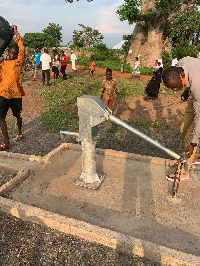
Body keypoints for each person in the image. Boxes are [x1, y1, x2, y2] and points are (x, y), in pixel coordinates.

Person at [162, 56, 200, 180]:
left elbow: (199, 119)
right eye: (171, 88)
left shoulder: (197, 86)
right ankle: (195, 157)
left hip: (198, 96)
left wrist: (193, 143)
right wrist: (186, 91)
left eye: (176, 87)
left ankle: (183, 171)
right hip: (195, 97)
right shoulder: (181, 64)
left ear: (182, 77)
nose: (174, 90)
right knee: (183, 129)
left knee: (191, 138)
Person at [0, 25, 26, 150]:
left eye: (14, 54)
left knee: (18, 116)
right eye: (11, 52)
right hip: (3, 94)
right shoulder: (2, 63)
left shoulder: (18, 63)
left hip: (15, 95)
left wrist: (16, 33)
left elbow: (21, 48)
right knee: (1, 118)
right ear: (8, 51)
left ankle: (20, 132)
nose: (12, 55)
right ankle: (6, 142)